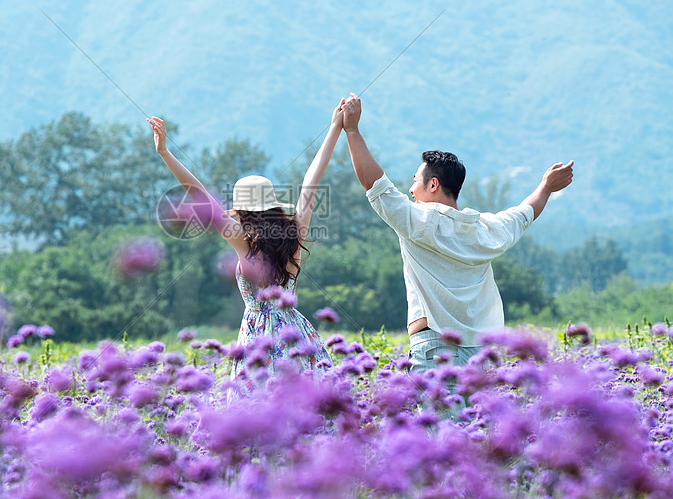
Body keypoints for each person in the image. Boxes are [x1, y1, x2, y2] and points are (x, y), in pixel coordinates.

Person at [340, 93, 574, 373]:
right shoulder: (484, 230)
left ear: (433, 185)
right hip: (482, 356)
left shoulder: (418, 221)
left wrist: (352, 130)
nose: (411, 190)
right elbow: (524, 214)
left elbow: (375, 183)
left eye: (415, 182)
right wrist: (546, 186)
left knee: (436, 419)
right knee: (475, 419)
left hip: (434, 351)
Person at [147, 100, 345, 375]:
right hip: (295, 335)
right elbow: (311, 180)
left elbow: (201, 195)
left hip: (257, 339)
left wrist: (165, 152)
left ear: (242, 212)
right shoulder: (293, 233)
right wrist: (334, 127)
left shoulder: (242, 240)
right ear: (273, 206)